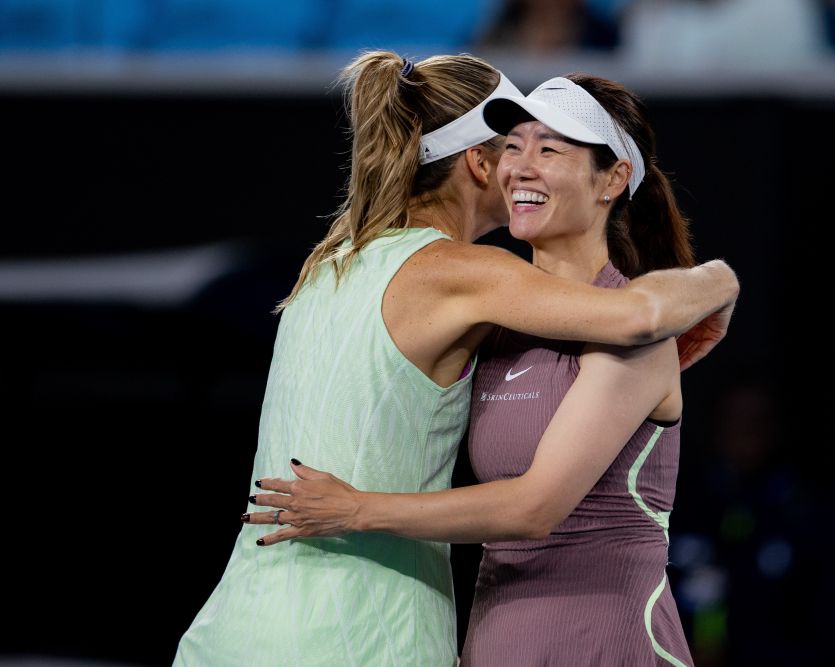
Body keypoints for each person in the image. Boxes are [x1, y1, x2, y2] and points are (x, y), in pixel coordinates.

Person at [176, 52, 736, 666]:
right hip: (366, 635)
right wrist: (720, 282)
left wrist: (360, 507)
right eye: (513, 145)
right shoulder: (474, 290)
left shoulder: (329, 266)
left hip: (243, 629)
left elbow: (535, 501)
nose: (522, 165)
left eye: (549, 149)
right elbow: (640, 314)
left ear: (613, 180)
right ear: (479, 162)